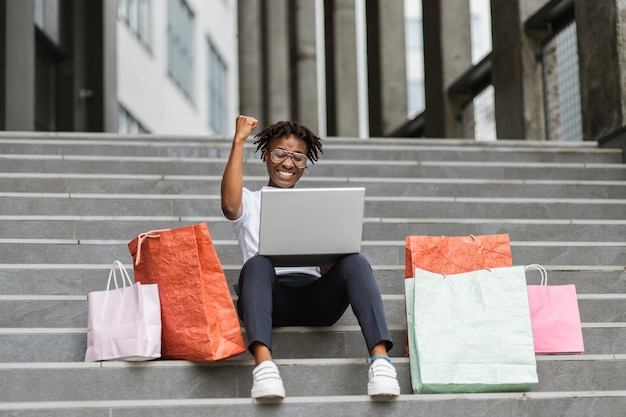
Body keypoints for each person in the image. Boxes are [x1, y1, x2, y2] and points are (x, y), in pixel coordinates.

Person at [221, 115, 400, 400]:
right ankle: (265, 367)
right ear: (266, 155)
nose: (288, 163)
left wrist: (332, 258)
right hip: (270, 299)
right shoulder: (250, 202)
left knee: (356, 261)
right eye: (280, 153)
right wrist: (239, 140)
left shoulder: (316, 207)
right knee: (257, 263)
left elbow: (334, 267)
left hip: (316, 301)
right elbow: (229, 205)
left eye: (298, 158)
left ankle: (381, 363)